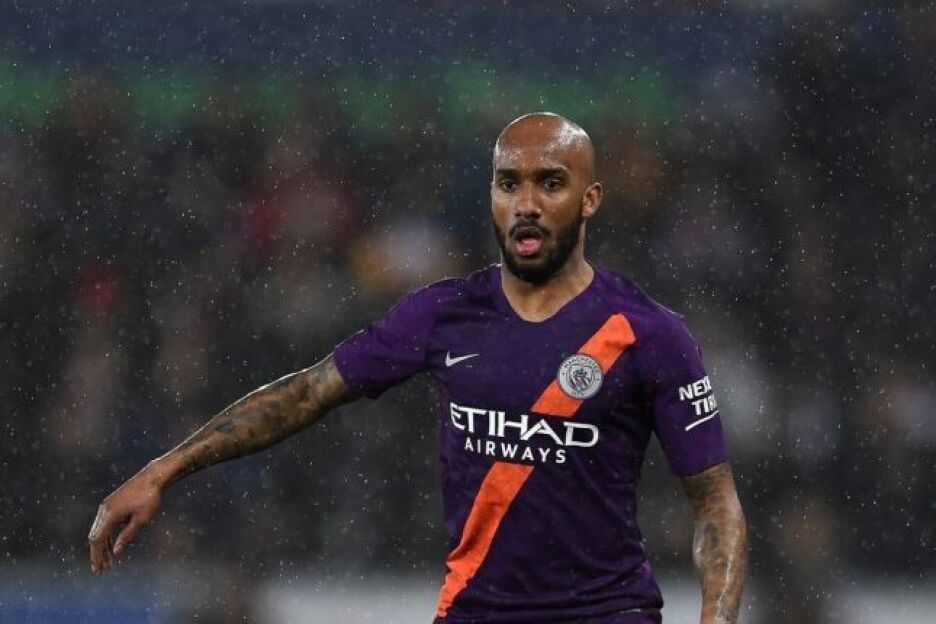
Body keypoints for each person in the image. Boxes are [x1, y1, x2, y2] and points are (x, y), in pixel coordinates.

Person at [89, 112, 748, 623]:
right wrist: (164, 469)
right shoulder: (443, 314)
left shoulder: (648, 333)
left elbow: (715, 503)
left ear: (591, 198)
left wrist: (716, 618)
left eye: (550, 183)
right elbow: (306, 393)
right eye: (509, 183)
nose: (526, 202)